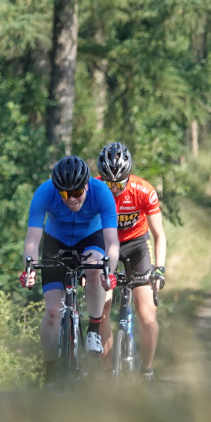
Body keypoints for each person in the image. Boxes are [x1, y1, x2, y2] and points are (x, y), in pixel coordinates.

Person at [20, 155, 121, 384]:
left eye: (76, 193)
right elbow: (32, 240)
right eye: (65, 194)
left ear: (87, 185)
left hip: (90, 239)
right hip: (55, 242)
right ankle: (50, 371)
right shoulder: (45, 192)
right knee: (53, 313)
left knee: (95, 268)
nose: (71, 199)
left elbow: (112, 243)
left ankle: (93, 329)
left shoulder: (102, 193)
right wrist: (30, 266)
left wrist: (110, 272)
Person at [94, 142, 166, 381]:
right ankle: (106, 376)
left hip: (136, 246)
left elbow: (159, 235)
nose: (114, 188)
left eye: (119, 183)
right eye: (109, 183)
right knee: (101, 310)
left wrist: (160, 269)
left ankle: (147, 369)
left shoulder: (143, 190)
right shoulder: (93, 188)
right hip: (106, 245)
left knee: (147, 316)